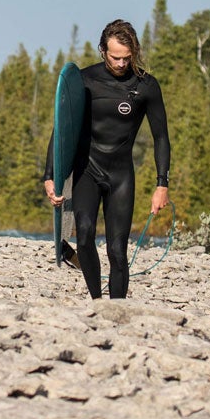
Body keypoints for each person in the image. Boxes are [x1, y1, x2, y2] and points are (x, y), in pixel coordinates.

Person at [43, 19, 170, 300]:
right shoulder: (84, 82)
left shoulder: (146, 86)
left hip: (121, 174)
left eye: (127, 58)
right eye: (115, 57)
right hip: (87, 169)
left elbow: (161, 136)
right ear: (102, 50)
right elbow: (61, 130)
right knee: (85, 235)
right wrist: (50, 175)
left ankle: (117, 308)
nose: (122, 63)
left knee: (117, 250)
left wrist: (162, 184)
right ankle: (97, 303)